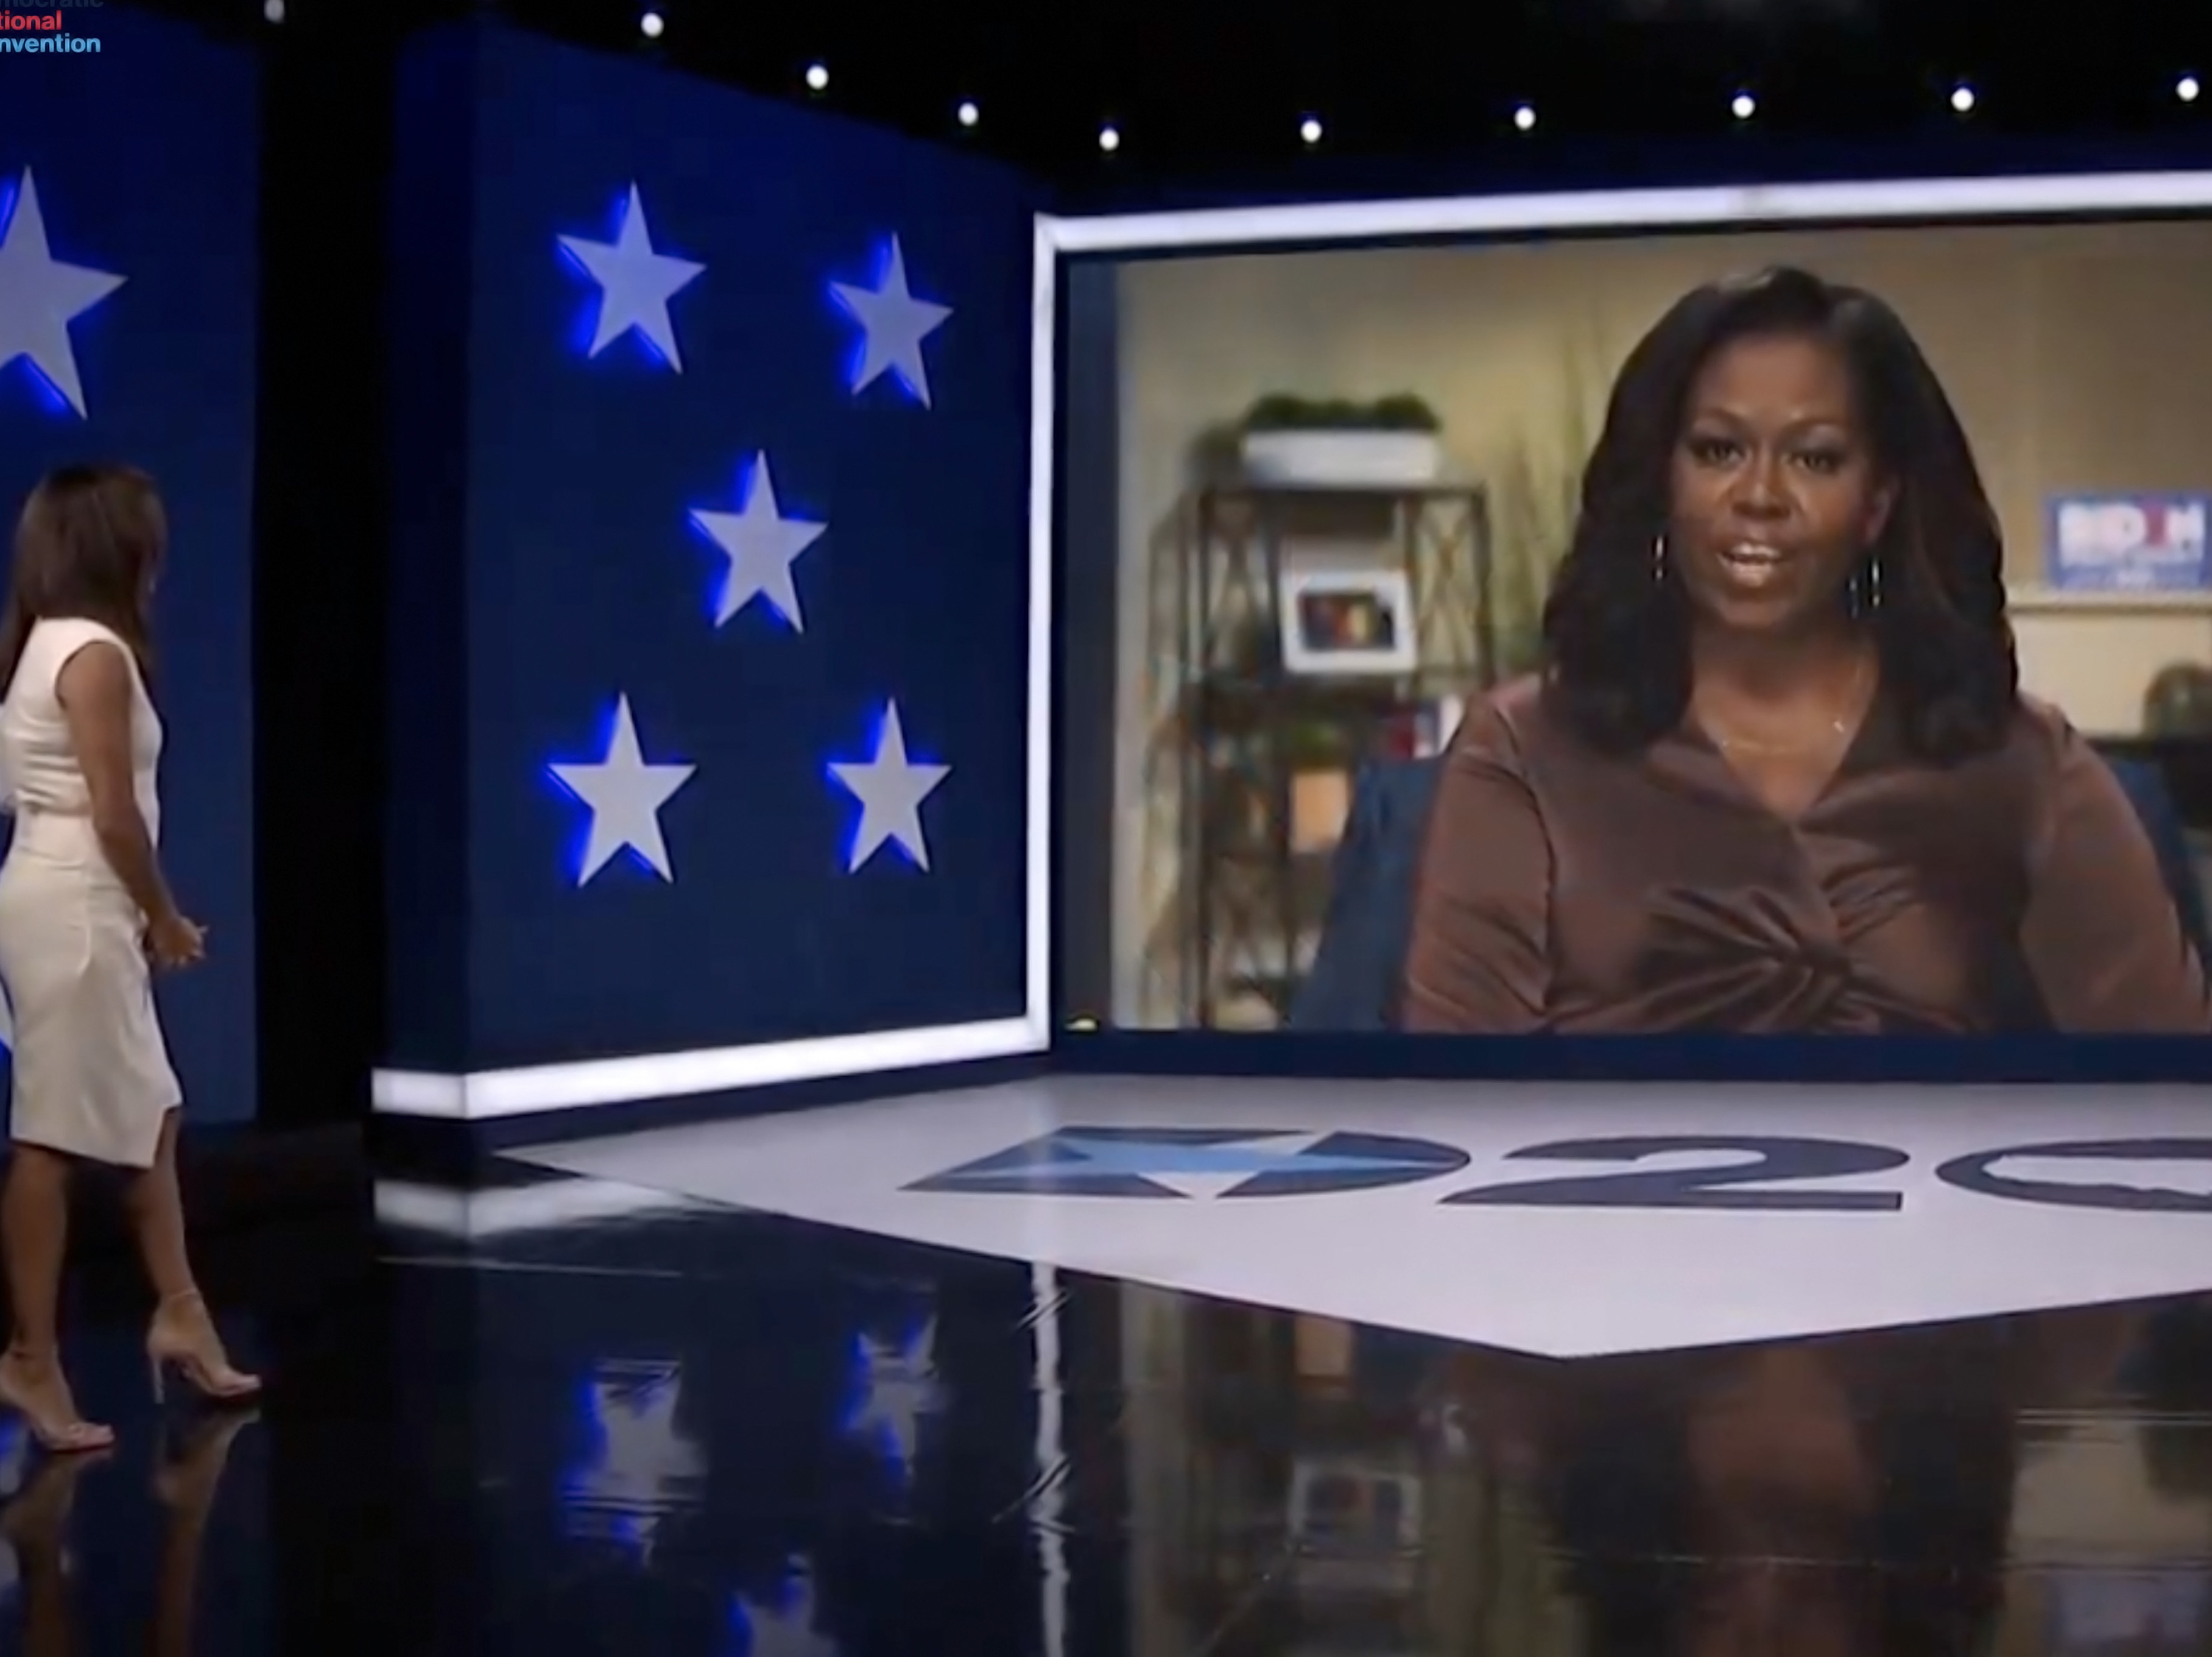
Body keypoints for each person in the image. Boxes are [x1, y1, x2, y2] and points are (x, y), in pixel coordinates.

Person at [1402, 264, 2212, 1034]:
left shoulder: (2015, 761)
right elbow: (1452, 1086)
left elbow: (2173, 1087)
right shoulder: (1526, 748)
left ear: (1876, 505)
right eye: (1718, 450)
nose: (1760, 497)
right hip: (1592, 1179)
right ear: (1661, 480)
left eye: (1815, 458)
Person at [0, 464, 258, 1454]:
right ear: (120, 546)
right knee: (51, 1140)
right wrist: (165, 916)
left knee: (153, 1108)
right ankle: (30, 1359)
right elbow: (111, 813)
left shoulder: (44, 645)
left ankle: (182, 1310)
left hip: (65, 897)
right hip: (78, 907)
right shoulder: (94, 656)